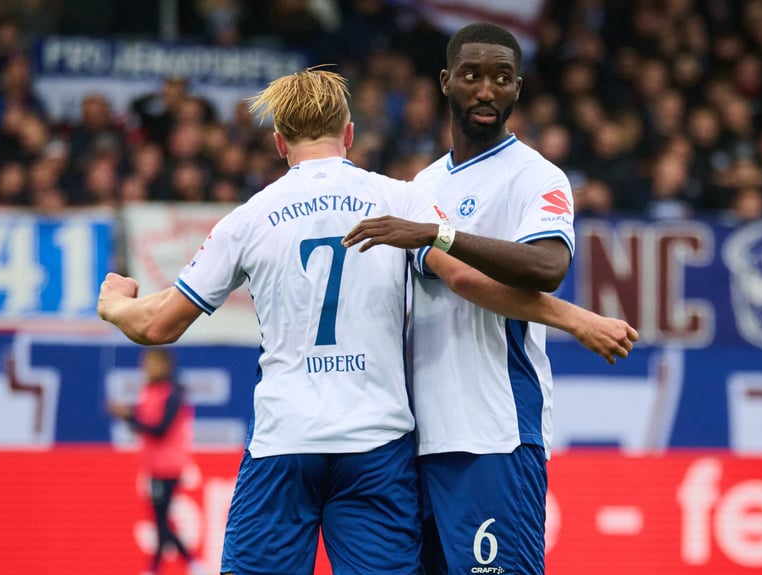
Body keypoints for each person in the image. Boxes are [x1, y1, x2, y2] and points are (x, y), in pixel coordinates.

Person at [98, 65, 637, 575]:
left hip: (286, 442)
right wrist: (577, 319)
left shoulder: (249, 218)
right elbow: (469, 282)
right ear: (349, 134)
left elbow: (158, 325)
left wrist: (115, 301)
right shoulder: (400, 200)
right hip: (377, 448)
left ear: (280, 142)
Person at [343, 22, 638, 575]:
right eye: (472, 75)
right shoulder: (420, 187)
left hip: (495, 433)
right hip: (417, 439)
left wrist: (440, 234)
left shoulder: (535, 177)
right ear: (445, 82)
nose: (486, 90)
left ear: (517, 89)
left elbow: (548, 267)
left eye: (502, 78)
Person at [106, 348, 204, 575]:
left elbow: (159, 429)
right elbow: (144, 419)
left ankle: (185, 565)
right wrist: (127, 414)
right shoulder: (149, 391)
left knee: (160, 520)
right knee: (160, 519)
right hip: (154, 465)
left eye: (150, 363)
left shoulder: (173, 394)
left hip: (169, 466)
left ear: (164, 365)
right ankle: (174, 566)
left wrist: (128, 417)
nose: (145, 368)